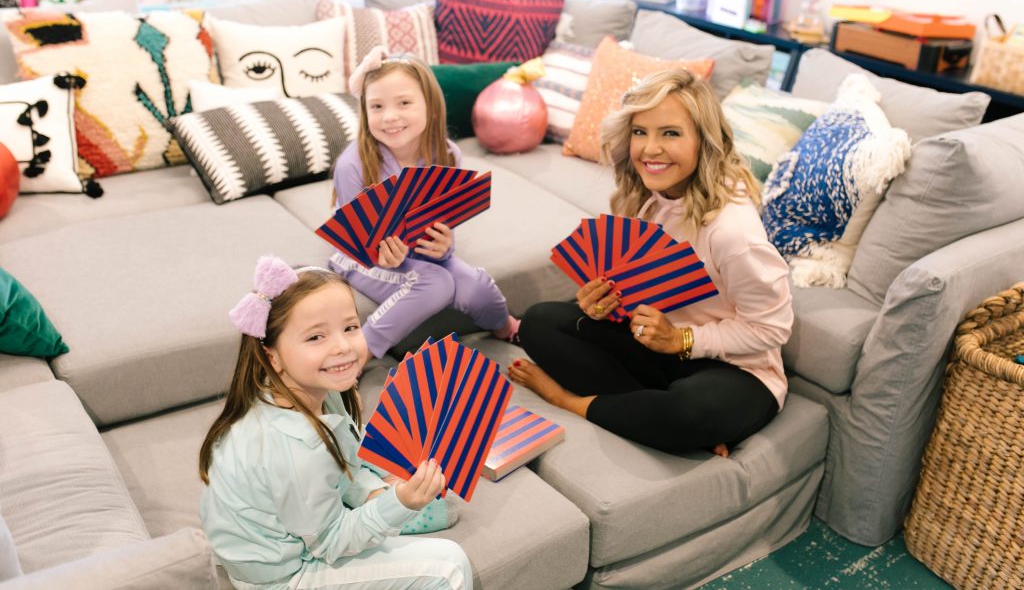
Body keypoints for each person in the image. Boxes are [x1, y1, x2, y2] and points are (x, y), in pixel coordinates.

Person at [509, 69, 792, 457]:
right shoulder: (647, 198)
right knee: (540, 322)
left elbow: (771, 329)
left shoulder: (732, 231)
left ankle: (570, 401)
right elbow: (643, 298)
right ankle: (652, 414)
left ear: (704, 141)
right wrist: (602, 306)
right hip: (657, 349)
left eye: (670, 133)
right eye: (640, 132)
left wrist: (682, 340)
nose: (649, 149)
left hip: (734, 368)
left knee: (690, 412)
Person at [199, 255, 472, 590]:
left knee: (439, 502)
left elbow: (345, 453)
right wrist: (399, 502)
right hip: (284, 576)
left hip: (299, 522)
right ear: (272, 355)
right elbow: (330, 542)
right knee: (450, 566)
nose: (343, 347)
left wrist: (380, 489)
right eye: (316, 337)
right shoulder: (292, 448)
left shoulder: (311, 387)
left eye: (350, 327)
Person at [330, 47, 519, 359]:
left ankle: (506, 328)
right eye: (376, 106)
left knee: (477, 288)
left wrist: (445, 246)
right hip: (361, 258)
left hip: (419, 251)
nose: (389, 116)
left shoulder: (447, 155)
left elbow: (444, 222)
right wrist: (383, 258)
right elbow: (356, 244)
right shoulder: (353, 166)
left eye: (404, 103)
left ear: (431, 107)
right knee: (436, 283)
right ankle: (359, 351)